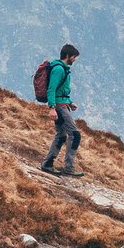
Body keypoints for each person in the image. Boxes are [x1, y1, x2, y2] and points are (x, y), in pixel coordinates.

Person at [39, 43, 82, 175]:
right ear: (68, 56)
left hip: (63, 104)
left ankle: (48, 164)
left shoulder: (63, 69)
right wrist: (52, 108)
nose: (74, 59)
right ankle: (69, 167)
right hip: (59, 107)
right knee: (75, 135)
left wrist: (70, 102)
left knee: (62, 135)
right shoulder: (59, 69)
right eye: (74, 57)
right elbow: (51, 89)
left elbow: (61, 91)